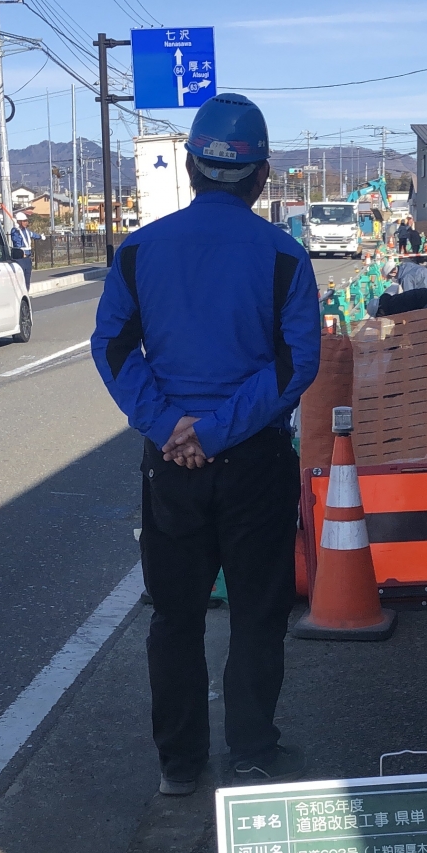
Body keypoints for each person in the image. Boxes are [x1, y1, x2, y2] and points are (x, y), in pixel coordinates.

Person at [91, 92, 320, 795]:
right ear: (262, 176)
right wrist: (218, 431)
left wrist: (171, 430)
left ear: (191, 167)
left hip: (172, 468)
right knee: (257, 612)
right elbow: (295, 364)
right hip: (253, 463)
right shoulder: (284, 257)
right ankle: (251, 750)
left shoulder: (139, 251)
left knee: (175, 616)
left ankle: (180, 767)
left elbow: (115, 346)